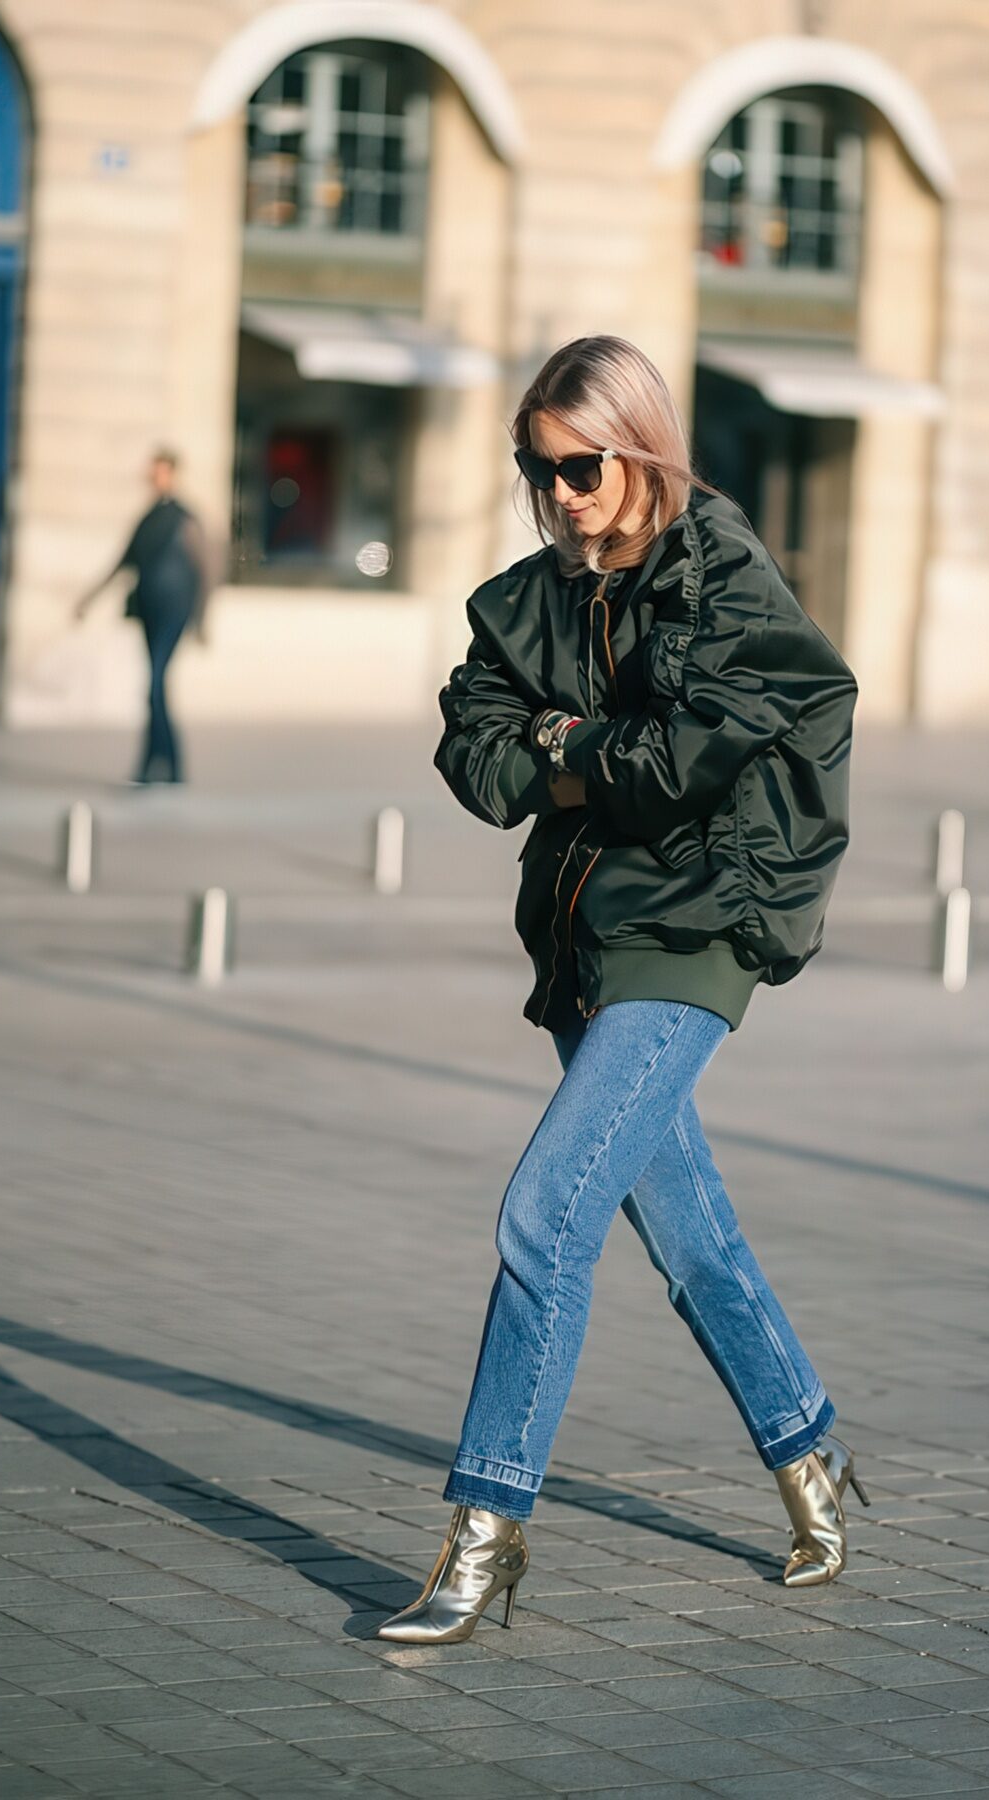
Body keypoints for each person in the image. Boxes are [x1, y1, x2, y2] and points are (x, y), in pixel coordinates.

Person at [378, 336, 867, 1647]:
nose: (562, 494)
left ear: (638, 448)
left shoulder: (727, 585)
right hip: (586, 947)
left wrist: (561, 744)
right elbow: (478, 765)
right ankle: (809, 1453)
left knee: (545, 1217)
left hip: (698, 932)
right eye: (540, 472)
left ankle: (484, 1540)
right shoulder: (528, 599)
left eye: (582, 467)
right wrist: (581, 749)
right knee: (690, 1234)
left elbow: (677, 768)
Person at [74, 448, 210, 784]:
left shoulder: (184, 518)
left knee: (154, 685)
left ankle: (161, 765)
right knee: (154, 687)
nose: (154, 477)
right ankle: (163, 765)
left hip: (173, 611)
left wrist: (203, 618)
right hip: (150, 610)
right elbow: (123, 561)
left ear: (172, 474)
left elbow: (205, 569)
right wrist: (89, 599)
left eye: (160, 471)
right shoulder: (149, 519)